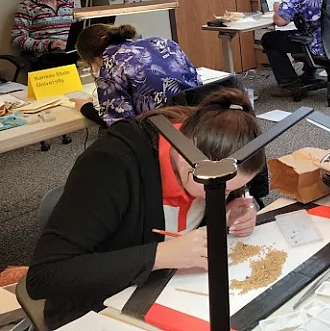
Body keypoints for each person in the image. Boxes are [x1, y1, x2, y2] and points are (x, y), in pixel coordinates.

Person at [27, 88, 263, 329]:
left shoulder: (210, 148)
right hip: (100, 308)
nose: (225, 195)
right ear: (185, 163)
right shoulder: (110, 165)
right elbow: (45, 276)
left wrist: (232, 211)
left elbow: (217, 201)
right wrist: (159, 255)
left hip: (169, 291)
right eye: (221, 191)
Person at [74, 23, 201, 126]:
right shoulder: (161, 42)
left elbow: (120, 125)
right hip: (201, 117)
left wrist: (86, 108)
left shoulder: (110, 65)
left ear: (95, 58)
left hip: (167, 130)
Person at [261, 0, 330, 97]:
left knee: (269, 39)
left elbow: (280, 21)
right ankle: (309, 75)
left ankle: (290, 85)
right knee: (303, 30)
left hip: (317, 44)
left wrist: (278, 7)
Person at [10, 0, 75, 68]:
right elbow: (17, 38)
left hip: (72, 53)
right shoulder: (27, 7)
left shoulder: (69, 4)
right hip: (47, 57)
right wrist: (49, 45)